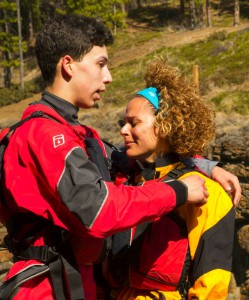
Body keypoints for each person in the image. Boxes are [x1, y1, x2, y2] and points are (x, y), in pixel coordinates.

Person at [0, 14, 240, 300]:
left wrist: (203, 165)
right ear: (68, 65)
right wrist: (177, 191)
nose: (109, 76)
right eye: (100, 64)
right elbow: (98, 208)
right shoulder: (45, 136)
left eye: (133, 123)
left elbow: (128, 159)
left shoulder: (80, 137)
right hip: (46, 288)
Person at [101, 59, 238, 300]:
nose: (123, 130)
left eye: (134, 123)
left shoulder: (207, 193)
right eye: (123, 122)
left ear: (165, 126)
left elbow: (212, 286)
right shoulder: (121, 178)